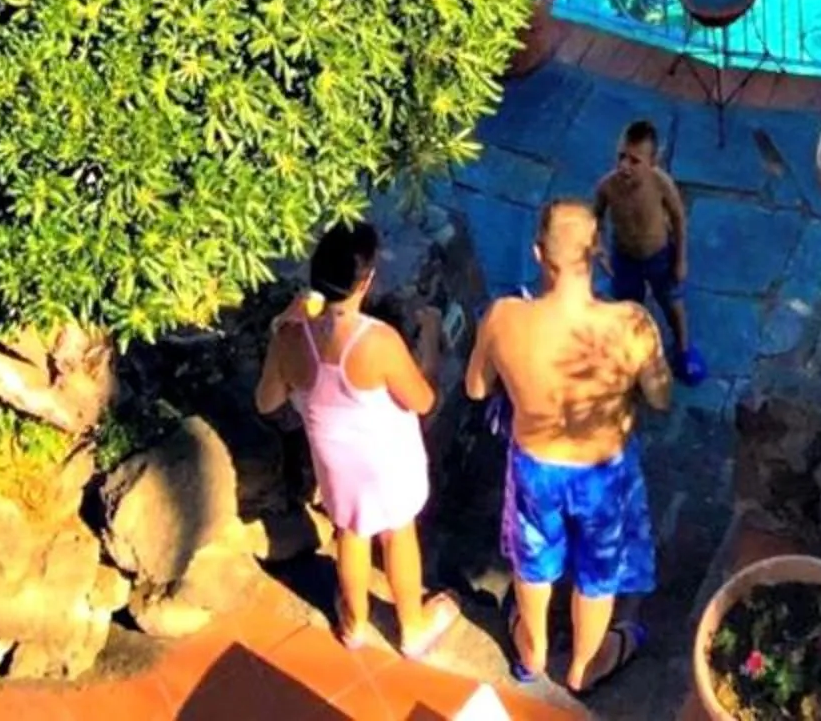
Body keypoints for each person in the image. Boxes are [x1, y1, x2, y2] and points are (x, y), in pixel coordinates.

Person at [466, 198, 670, 694]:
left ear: (539, 254)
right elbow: (661, 398)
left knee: (533, 562)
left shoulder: (503, 318)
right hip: (604, 470)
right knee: (599, 570)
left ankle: (531, 652)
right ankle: (584, 667)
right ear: (596, 251)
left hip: (536, 467)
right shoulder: (632, 323)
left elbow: (475, 388)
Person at [255, 220, 458, 660]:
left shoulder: (291, 338)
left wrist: (281, 328)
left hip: (336, 468)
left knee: (351, 533)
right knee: (398, 535)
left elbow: (267, 401)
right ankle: (412, 629)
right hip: (389, 465)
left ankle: (353, 624)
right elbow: (422, 401)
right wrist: (428, 349)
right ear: (366, 280)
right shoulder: (378, 341)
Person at [594, 118, 706, 383]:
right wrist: (599, 248)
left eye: (634, 161)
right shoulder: (607, 187)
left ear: (652, 163)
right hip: (625, 259)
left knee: (672, 304)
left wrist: (680, 260)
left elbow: (678, 218)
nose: (624, 166)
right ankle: (634, 351)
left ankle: (683, 349)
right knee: (628, 307)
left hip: (659, 256)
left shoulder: (661, 184)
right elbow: (595, 218)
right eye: (621, 156)